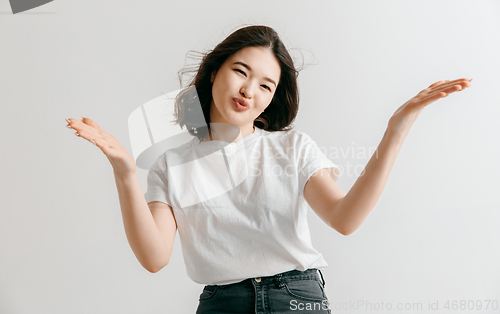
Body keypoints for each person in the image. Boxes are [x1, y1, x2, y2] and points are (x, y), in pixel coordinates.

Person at [64, 25, 472, 314]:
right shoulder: (172, 166)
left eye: (265, 85)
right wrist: (124, 172)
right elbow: (154, 257)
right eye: (241, 72)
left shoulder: (290, 146)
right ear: (214, 73)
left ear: (272, 99)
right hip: (221, 304)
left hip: (297, 297)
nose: (248, 90)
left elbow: (345, 219)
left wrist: (395, 129)